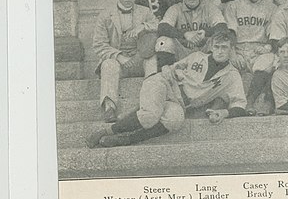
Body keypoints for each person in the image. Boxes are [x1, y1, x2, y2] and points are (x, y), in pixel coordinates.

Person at [86, 31, 248, 148]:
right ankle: (107, 131)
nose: (220, 51)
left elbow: (240, 104)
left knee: (175, 119)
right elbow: (169, 69)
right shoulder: (197, 56)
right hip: (163, 83)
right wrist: (173, 71)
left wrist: (223, 113)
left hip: (181, 102)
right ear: (211, 47)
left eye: (224, 48)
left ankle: (126, 139)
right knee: (150, 116)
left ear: (231, 50)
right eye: (217, 47)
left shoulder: (232, 76)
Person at [92, 0, 159, 123]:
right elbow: (98, 44)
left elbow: (159, 26)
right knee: (108, 64)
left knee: (152, 61)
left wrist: (144, 26)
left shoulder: (145, 12)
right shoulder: (105, 15)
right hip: (120, 63)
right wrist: (119, 56)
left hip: (139, 59)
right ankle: (109, 108)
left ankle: (150, 104)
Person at [224, 0, 278, 114]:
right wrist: (232, 52)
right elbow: (230, 32)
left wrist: (268, 47)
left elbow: (274, 35)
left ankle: (250, 102)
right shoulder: (234, 5)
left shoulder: (272, 8)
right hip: (238, 49)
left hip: (259, 50)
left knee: (268, 62)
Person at [155, 0, 228, 68]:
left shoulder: (210, 7)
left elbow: (222, 27)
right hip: (183, 51)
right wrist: (185, 34)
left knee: (220, 39)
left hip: (204, 50)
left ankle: (213, 75)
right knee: (163, 42)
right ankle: (166, 76)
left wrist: (205, 33)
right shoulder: (175, 8)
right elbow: (163, 27)